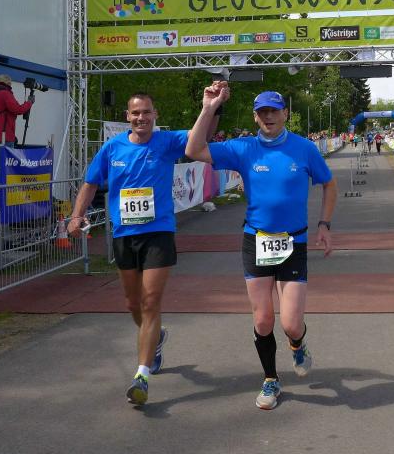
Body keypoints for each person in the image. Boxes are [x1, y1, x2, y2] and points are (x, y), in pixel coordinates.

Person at [67, 83, 228, 405]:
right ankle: (156, 337)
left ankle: (141, 375)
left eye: (146, 112)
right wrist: (75, 216)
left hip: (159, 231)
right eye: (136, 113)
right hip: (124, 235)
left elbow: (203, 136)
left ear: (155, 115)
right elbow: (90, 183)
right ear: (127, 116)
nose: (141, 117)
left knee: (151, 301)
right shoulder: (112, 148)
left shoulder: (167, 142)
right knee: (133, 304)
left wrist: (212, 107)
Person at [185, 89, 338, 411]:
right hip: (256, 241)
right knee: (264, 319)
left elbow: (329, 183)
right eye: (262, 112)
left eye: (274, 110)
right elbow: (194, 149)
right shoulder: (243, 148)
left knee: (291, 324)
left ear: (285, 114)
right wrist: (209, 108)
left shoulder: (305, 148)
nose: (269, 116)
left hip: (293, 242)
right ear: (256, 117)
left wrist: (324, 225)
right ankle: (270, 379)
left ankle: (297, 344)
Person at [0, 74, 34, 147]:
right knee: (5, 155)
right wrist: (29, 102)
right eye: (10, 82)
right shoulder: (5, 94)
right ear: (7, 82)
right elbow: (18, 109)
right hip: (4, 137)